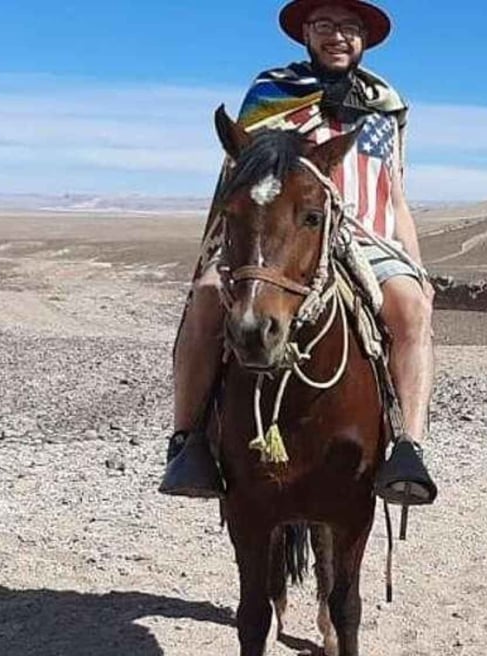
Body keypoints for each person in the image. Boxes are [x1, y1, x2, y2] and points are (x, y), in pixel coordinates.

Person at [161, 0, 438, 506]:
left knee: (413, 308)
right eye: (325, 25)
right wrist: (214, 252)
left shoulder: (387, 104)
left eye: (350, 27)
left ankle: (407, 447)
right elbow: (242, 178)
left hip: (366, 237)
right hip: (281, 237)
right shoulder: (271, 92)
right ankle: (188, 440)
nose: (338, 36)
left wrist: (416, 266)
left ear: (364, 39)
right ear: (306, 33)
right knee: (205, 298)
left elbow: (394, 194)